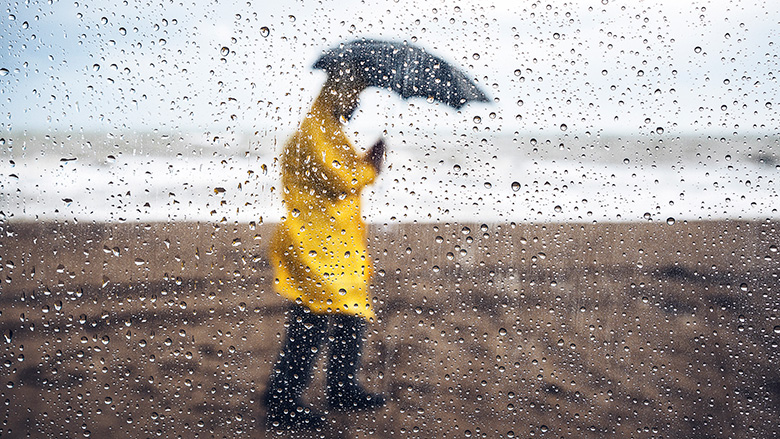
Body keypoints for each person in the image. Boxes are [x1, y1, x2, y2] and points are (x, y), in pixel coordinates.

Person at [263, 70, 386, 430]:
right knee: (311, 318)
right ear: (338, 94)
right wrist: (371, 166)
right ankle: (281, 400)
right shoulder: (315, 132)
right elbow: (340, 178)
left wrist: (364, 164)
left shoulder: (328, 132)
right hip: (310, 243)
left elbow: (342, 173)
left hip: (335, 242)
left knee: (352, 312)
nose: (356, 104)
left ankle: (342, 387)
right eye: (353, 96)